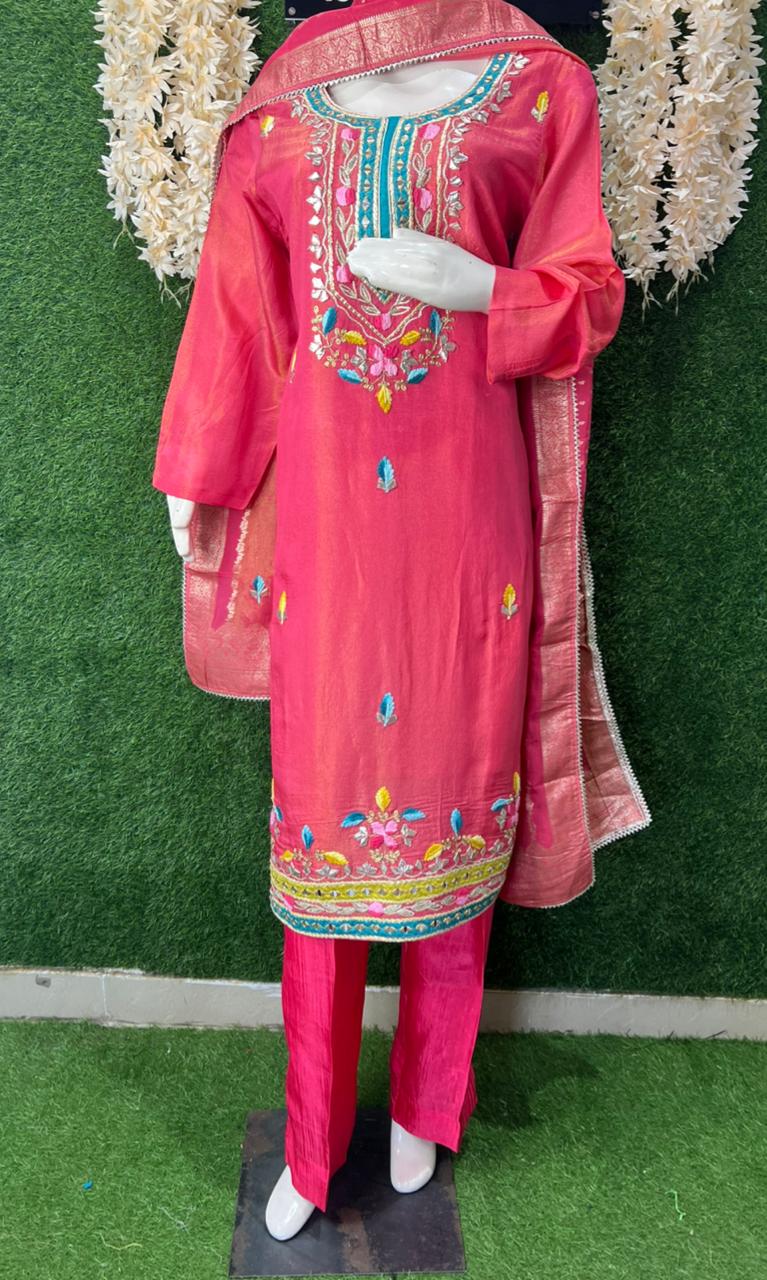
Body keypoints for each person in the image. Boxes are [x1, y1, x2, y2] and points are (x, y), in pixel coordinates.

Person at [152, 0, 652, 1241]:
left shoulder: (539, 86)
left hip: (466, 511)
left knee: (454, 783)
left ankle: (429, 1103)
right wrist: (196, 470)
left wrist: (484, 285)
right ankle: (311, 1144)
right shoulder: (276, 108)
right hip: (324, 518)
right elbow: (239, 308)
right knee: (323, 803)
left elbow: (587, 294)